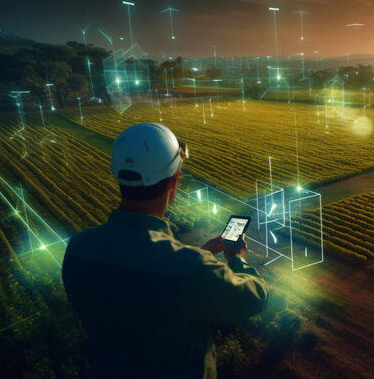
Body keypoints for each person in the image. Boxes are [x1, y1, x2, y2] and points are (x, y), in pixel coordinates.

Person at [62, 123, 268, 378]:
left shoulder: (78, 250)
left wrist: (198, 255)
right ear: (175, 182)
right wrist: (237, 259)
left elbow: (143, 278)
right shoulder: (191, 270)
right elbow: (254, 298)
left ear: (119, 176)